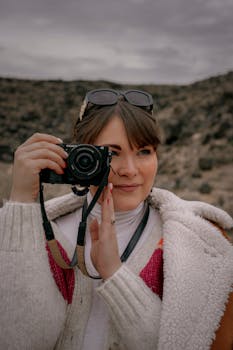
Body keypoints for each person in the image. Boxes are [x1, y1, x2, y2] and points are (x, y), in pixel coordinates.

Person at [0, 88, 233, 350]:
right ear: (81, 154)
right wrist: (21, 202)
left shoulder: (198, 244)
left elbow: (180, 342)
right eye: (112, 153)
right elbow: (18, 340)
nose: (130, 170)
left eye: (144, 151)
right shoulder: (36, 233)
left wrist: (115, 273)